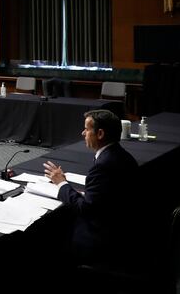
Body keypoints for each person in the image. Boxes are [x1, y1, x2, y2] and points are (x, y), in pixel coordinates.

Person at [43, 109, 139, 267]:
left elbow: (85, 209)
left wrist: (61, 183)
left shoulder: (103, 165)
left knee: (52, 234)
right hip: (125, 228)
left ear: (100, 134)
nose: (82, 133)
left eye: (87, 129)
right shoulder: (123, 155)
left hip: (104, 240)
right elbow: (107, 194)